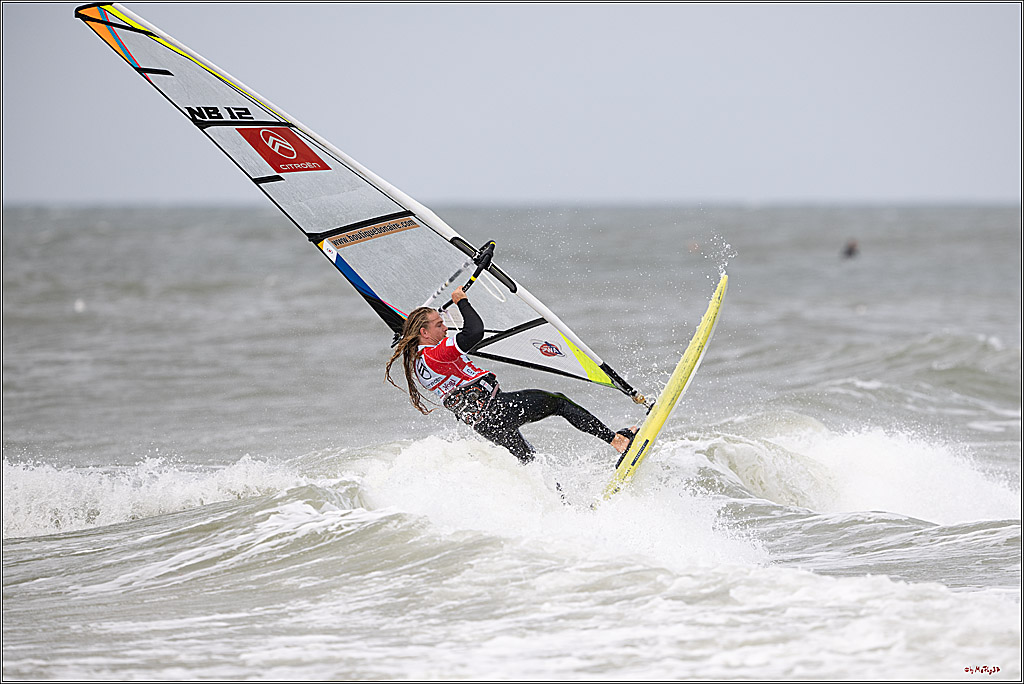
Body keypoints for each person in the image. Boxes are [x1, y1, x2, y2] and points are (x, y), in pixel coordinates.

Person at [386, 287, 635, 464]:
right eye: (439, 324)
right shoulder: (435, 354)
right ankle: (617, 441)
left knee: (530, 461)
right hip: (497, 409)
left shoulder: (418, 360)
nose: (445, 326)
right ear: (424, 332)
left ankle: (562, 508)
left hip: (484, 424)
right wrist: (462, 301)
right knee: (558, 402)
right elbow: (474, 332)